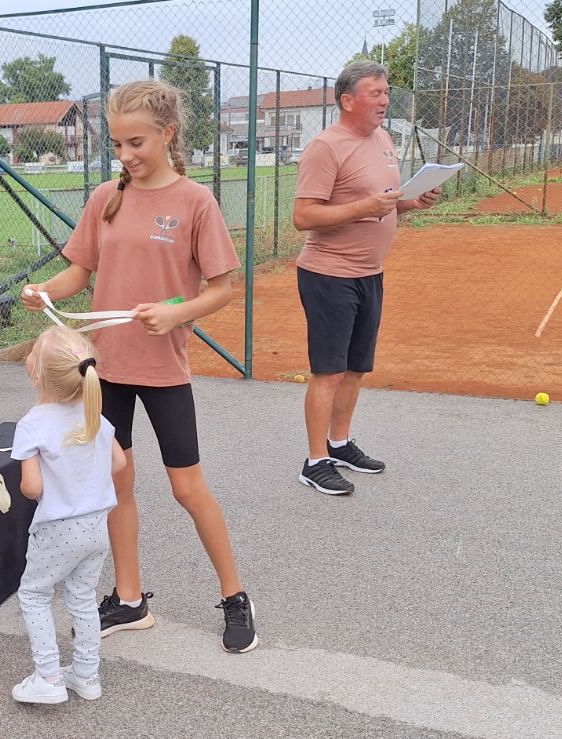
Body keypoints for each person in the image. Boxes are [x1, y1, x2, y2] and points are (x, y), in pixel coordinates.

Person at [22, 79, 258, 653]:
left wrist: (177, 313)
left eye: (137, 143)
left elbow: (223, 288)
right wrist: (43, 289)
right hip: (104, 371)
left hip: (164, 372)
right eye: (118, 144)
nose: (126, 155)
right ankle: (129, 600)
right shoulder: (106, 197)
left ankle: (235, 596)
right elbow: (79, 273)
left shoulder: (196, 202)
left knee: (187, 487)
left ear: (167, 134)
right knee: (114, 482)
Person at [290, 61, 442, 496]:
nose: (385, 100)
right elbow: (304, 216)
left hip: (370, 274)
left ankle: (339, 443)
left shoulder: (383, 139)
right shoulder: (326, 146)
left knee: (355, 369)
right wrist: (363, 207)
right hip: (328, 274)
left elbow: (386, 203)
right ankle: (315, 460)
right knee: (329, 372)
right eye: (375, 93)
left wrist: (414, 202)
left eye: (386, 92)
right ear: (348, 100)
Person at [8, 325, 123, 705]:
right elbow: (119, 462)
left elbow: (32, 489)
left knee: (35, 594)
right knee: (82, 597)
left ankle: (49, 677)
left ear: (36, 373)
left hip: (58, 528)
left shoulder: (32, 424)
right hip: (97, 526)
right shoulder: (93, 415)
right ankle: (86, 676)